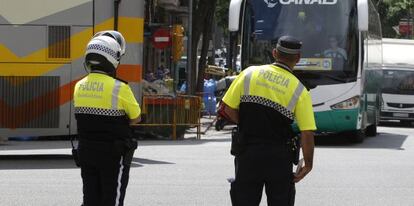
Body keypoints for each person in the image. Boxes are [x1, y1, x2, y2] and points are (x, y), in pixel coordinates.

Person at [220, 36, 316, 206]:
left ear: (274, 53)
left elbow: (226, 107)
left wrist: (247, 124)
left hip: (247, 153)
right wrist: (308, 164)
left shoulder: (249, 74)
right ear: (298, 59)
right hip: (279, 158)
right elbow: (307, 132)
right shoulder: (299, 90)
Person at [73, 30, 141, 206]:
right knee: (111, 198)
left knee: (90, 198)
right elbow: (136, 117)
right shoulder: (120, 88)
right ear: (112, 58)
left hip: (86, 150)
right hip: (112, 153)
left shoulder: (78, 86)